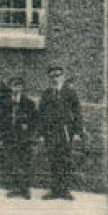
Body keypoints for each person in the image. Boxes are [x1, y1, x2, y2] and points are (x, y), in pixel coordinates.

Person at [37, 65, 82, 199]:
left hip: (65, 132)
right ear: (49, 78)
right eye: (52, 76)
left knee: (65, 160)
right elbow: (41, 114)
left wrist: (77, 133)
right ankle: (54, 190)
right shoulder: (46, 94)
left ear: (62, 76)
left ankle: (65, 190)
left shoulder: (70, 93)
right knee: (53, 160)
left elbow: (77, 113)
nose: (55, 78)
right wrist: (40, 134)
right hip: (51, 133)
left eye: (58, 75)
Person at [3, 77, 38, 198]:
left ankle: (25, 189)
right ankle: (16, 188)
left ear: (22, 88)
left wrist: (28, 129)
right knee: (13, 163)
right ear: (10, 88)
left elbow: (34, 121)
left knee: (25, 163)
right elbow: (0, 119)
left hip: (23, 139)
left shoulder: (29, 103)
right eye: (14, 86)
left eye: (19, 86)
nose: (16, 88)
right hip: (9, 138)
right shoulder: (5, 103)